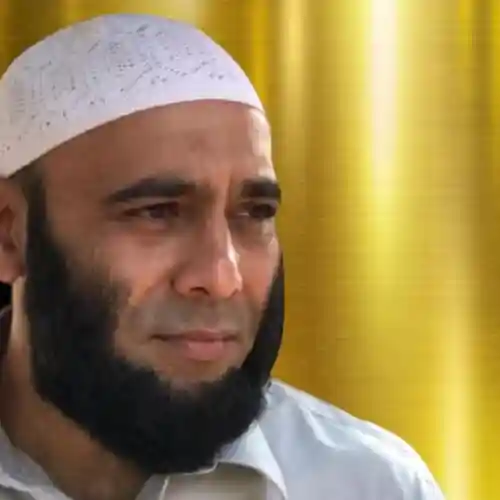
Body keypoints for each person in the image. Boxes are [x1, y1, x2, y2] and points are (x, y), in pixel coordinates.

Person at [0, 13, 445, 500]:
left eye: (254, 213)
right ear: (8, 237)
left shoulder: (373, 485)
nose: (221, 277)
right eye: (157, 212)